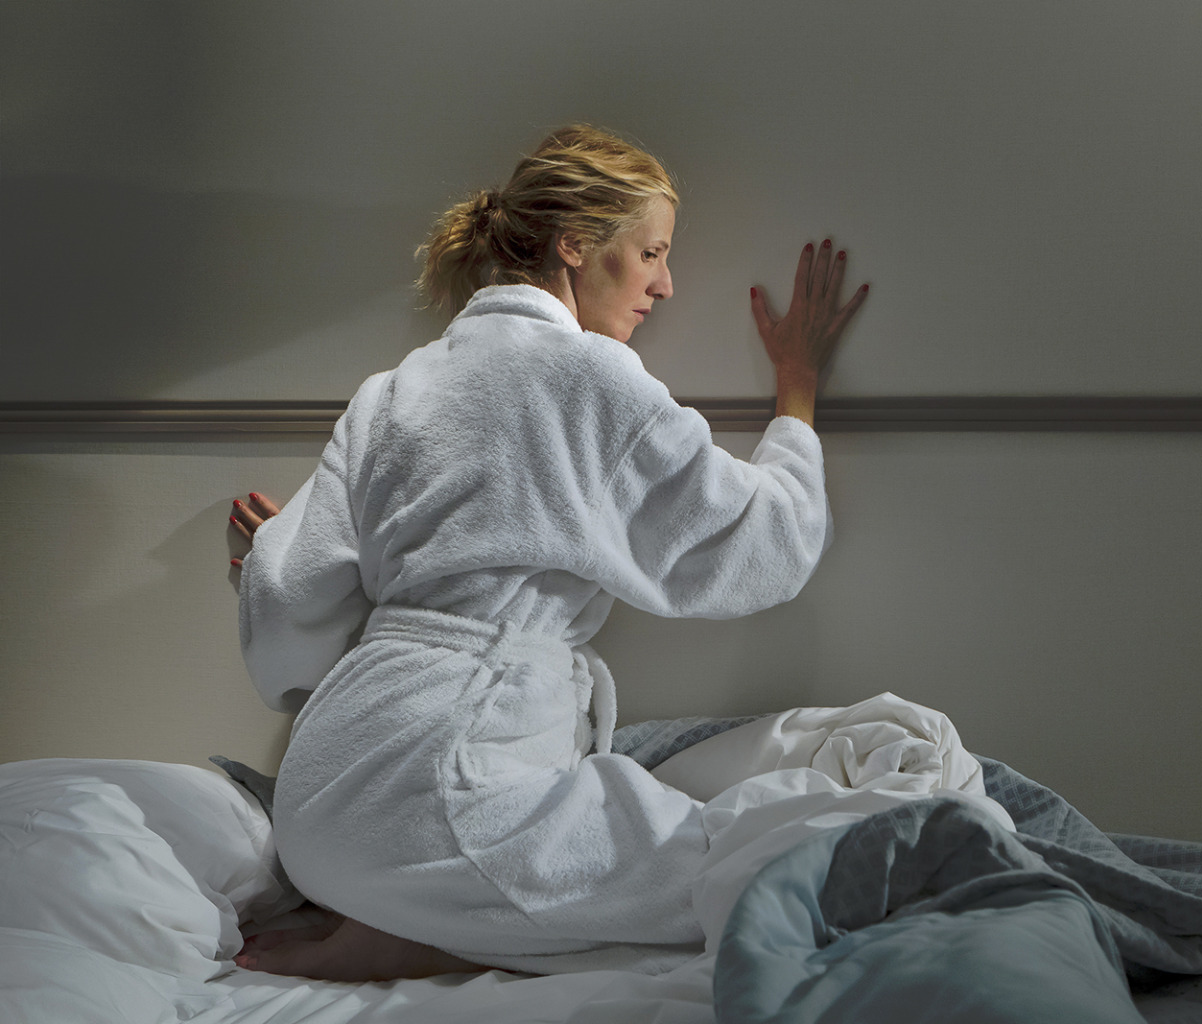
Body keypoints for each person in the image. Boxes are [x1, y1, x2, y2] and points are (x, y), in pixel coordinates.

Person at [226, 124, 868, 981]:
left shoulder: (394, 389)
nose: (666, 284)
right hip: (442, 789)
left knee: (639, 865)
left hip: (321, 801)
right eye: (651, 253)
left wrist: (264, 556)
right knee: (760, 873)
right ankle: (414, 912)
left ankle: (396, 930)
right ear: (574, 244)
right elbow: (765, 543)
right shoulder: (591, 374)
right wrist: (797, 389)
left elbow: (285, 598)